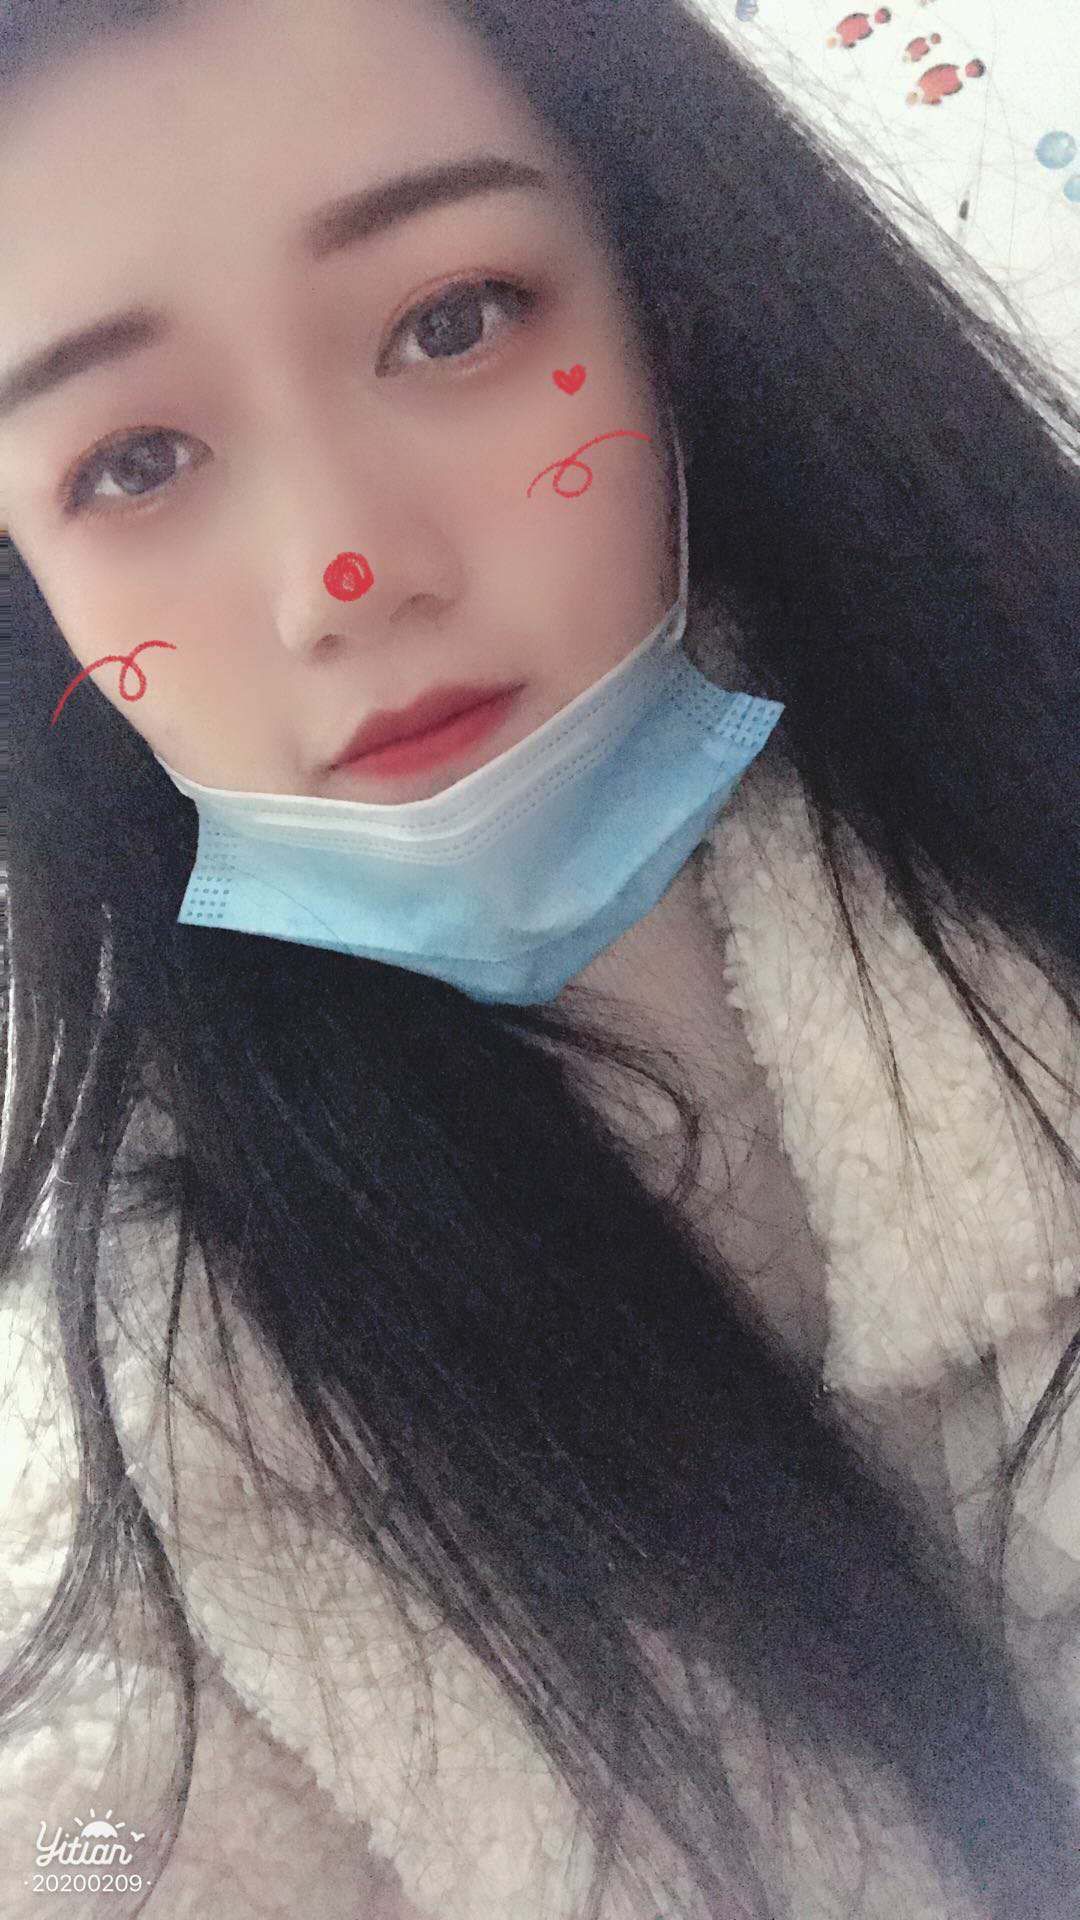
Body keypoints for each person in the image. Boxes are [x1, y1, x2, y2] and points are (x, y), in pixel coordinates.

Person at [0, 0, 1078, 1915]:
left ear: (676, 298)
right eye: (135, 458)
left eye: (454, 322)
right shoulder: (166, 1386)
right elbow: (110, 1831)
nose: (344, 574)